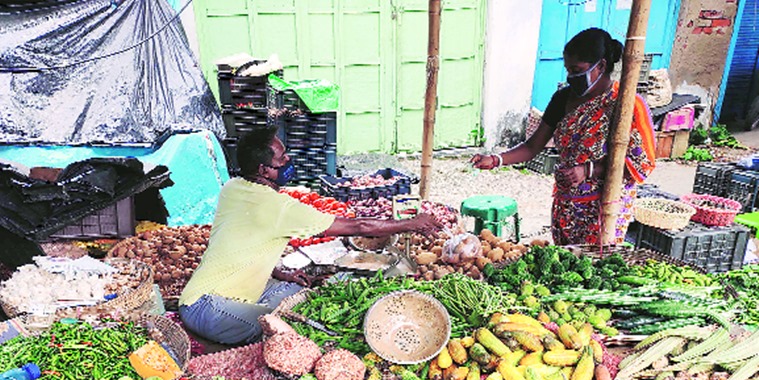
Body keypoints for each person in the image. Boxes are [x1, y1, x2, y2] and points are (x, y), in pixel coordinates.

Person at [179, 126, 442, 345]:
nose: (288, 162)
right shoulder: (278, 207)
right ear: (263, 170)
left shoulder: (233, 187)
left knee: (296, 288)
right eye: (282, 159)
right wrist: (411, 223)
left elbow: (241, 241)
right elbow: (359, 227)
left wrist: (280, 273)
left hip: (216, 297)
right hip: (206, 308)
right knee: (289, 324)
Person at [472, 28, 655, 246]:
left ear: (602, 66)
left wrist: (589, 170)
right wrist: (495, 159)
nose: (571, 77)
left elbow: (642, 164)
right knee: (564, 265)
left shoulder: (624, 105)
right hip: (567, 204)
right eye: (568, 70)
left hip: (605, 207)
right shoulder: (562, 98)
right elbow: (533, 146)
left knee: (595, 268)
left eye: (577, 69)